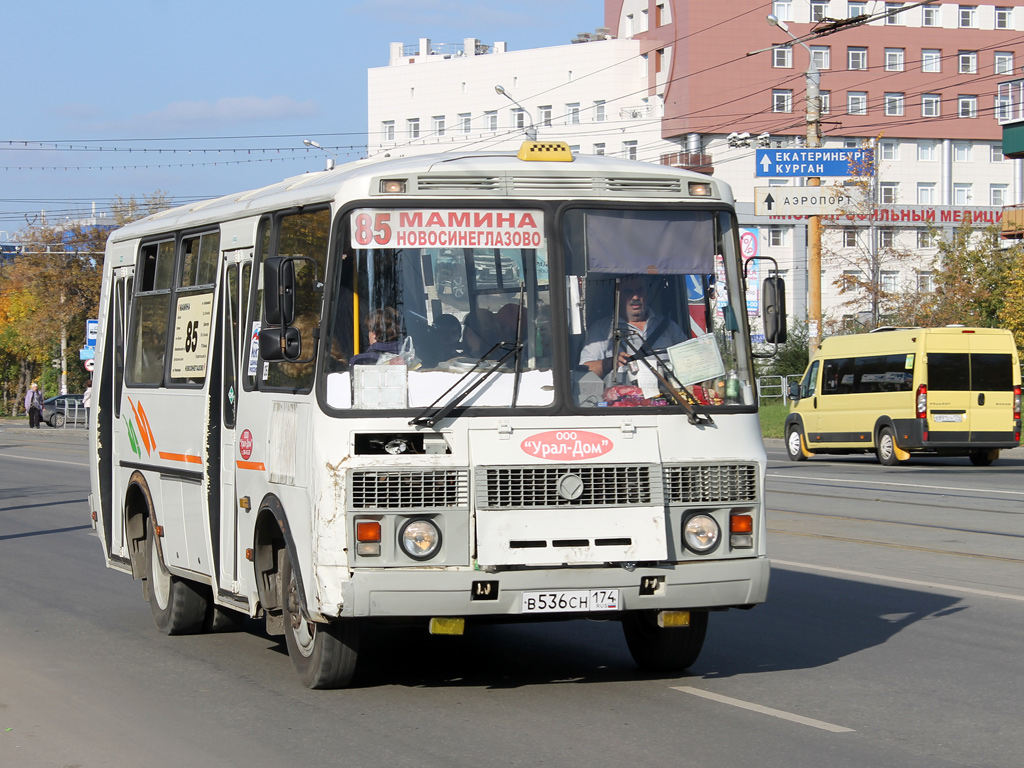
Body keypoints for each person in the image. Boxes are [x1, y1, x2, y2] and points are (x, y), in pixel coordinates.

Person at [579, 276, 688, 378]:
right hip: (625, 395)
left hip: (668, 394)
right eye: (628, 292)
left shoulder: (667, 326)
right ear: (617, 296)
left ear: (646, 293)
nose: (635, 297)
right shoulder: (602, 329)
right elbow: (584, 371)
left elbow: (690, 359)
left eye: (640, 290)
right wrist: (610, 362)